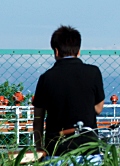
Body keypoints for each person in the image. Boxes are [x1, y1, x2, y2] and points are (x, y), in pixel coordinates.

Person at [32, 25, 105, 157]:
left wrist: (39, 147)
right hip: (88, 149)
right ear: (79, 51)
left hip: (56, 150)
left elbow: (38, 118)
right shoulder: (93, 72)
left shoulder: (46, 78)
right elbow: (99, 108)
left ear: (56, 51)